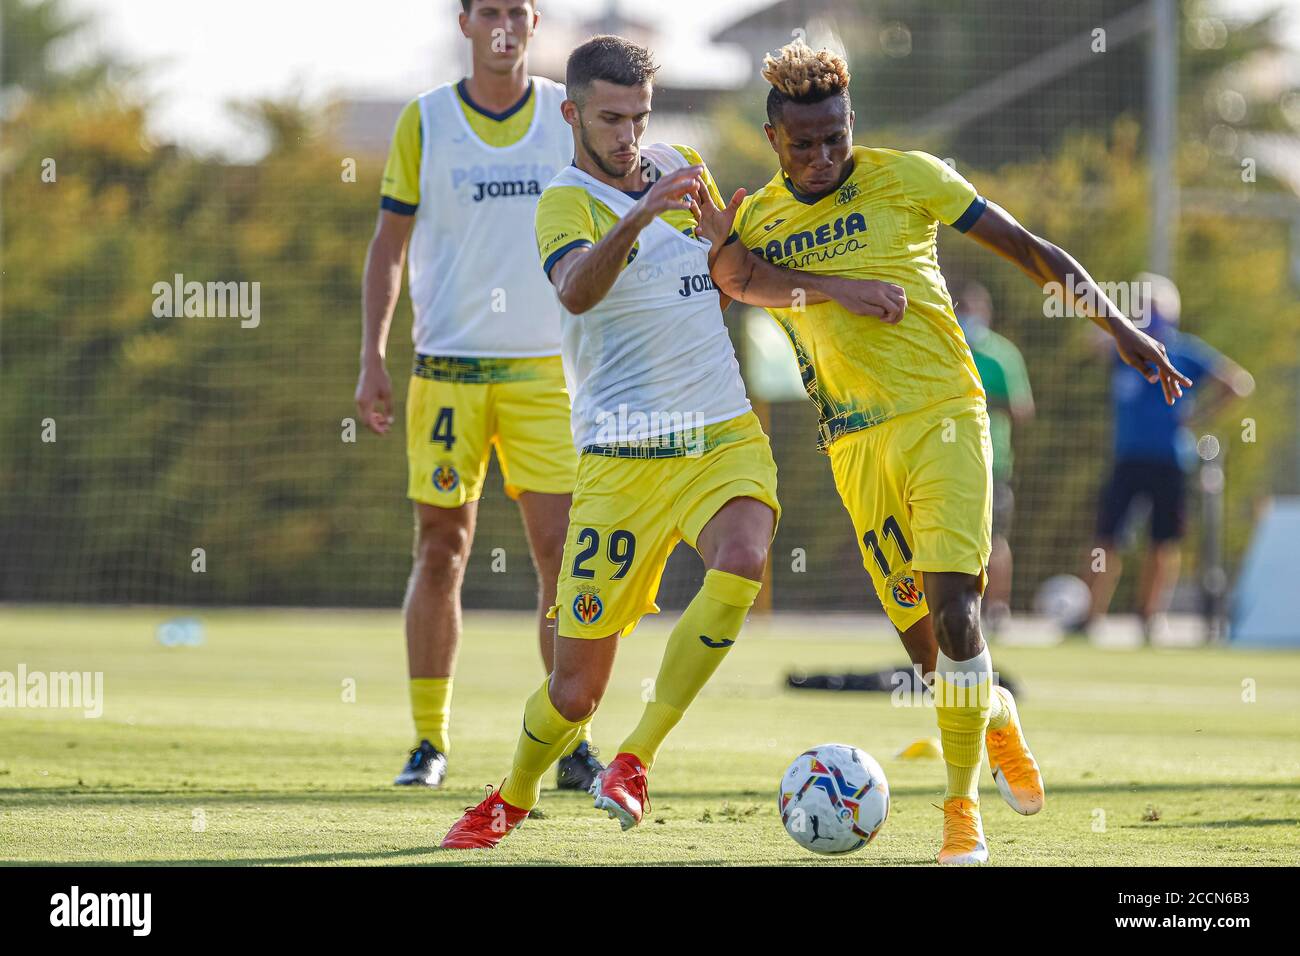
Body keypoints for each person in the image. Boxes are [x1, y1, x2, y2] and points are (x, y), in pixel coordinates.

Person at [697, 40, 1192, 863]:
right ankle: (993, 716)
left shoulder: (910, 176)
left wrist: (1119, 323)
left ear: (851, 123)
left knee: (960, 613)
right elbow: (742, 282)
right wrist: (793, 274)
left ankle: (960, 813)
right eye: (804, 143)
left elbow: (1032, 249)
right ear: (772, 138)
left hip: (945, 415)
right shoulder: (760, 222)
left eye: (836, 136)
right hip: (854, 443)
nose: (823, 156)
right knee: (934, 657)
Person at [440, 35, 900, 850]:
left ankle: (637, 758)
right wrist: (643, 216)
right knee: (575, 691)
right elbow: (577, 292)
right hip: (621, 459)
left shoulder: (683, 160)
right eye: (611, 118)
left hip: (719, 432)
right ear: (572, 113)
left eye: (639, 116)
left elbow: (727, 272)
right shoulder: (563, 202)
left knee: (746, 553)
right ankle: (510, 795)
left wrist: (729, 237)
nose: (628, 134)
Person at [354, 0, 601, 791]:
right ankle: (429, 742)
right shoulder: (425, 120)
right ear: (464, 22)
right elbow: (389, 245)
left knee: (562, 557)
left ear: (536, 21)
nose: (504, 23)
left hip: (544, 375)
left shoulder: (568, 114)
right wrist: (373, 354)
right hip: (448, 371)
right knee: (439, 550)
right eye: (488, 9)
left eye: (517, 10)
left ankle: (570, 741)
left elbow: (609, 225)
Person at [1073, 273, 1253, 643]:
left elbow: (1238, 383)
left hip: (1170, 461)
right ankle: (1091, 616)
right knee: (1107, 538)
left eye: (1154, 307)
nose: (1147, 314)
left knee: (1163, 542)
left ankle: (1149, 617)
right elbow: (1091, 342)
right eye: (1142, 307)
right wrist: (1119, 328)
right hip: (1127, 460)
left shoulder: (1185, 352)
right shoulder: (1125, 349)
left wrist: (1199, 417)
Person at [954, 280, 1035, 636]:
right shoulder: (949, 349)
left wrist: (980, 404)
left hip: (992, 461)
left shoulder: (1003, 355)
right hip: (947, 458)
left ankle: (997, 609)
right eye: (963, 310)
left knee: (994, 536)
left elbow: (1022, 409)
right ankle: (949, 605)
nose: (968, 318)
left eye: (974, 311)